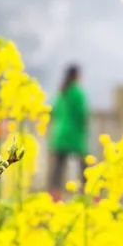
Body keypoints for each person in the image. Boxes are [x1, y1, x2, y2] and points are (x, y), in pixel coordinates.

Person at [48, 64, 88, 197]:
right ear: (77, 76)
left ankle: (55, 194)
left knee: (58, 168)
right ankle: (89, 193)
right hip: (74, 133)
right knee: (85, 164)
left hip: (59, 133)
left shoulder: (61, 91)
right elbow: (82, 114)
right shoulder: (77, 92)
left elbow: (54, 111)